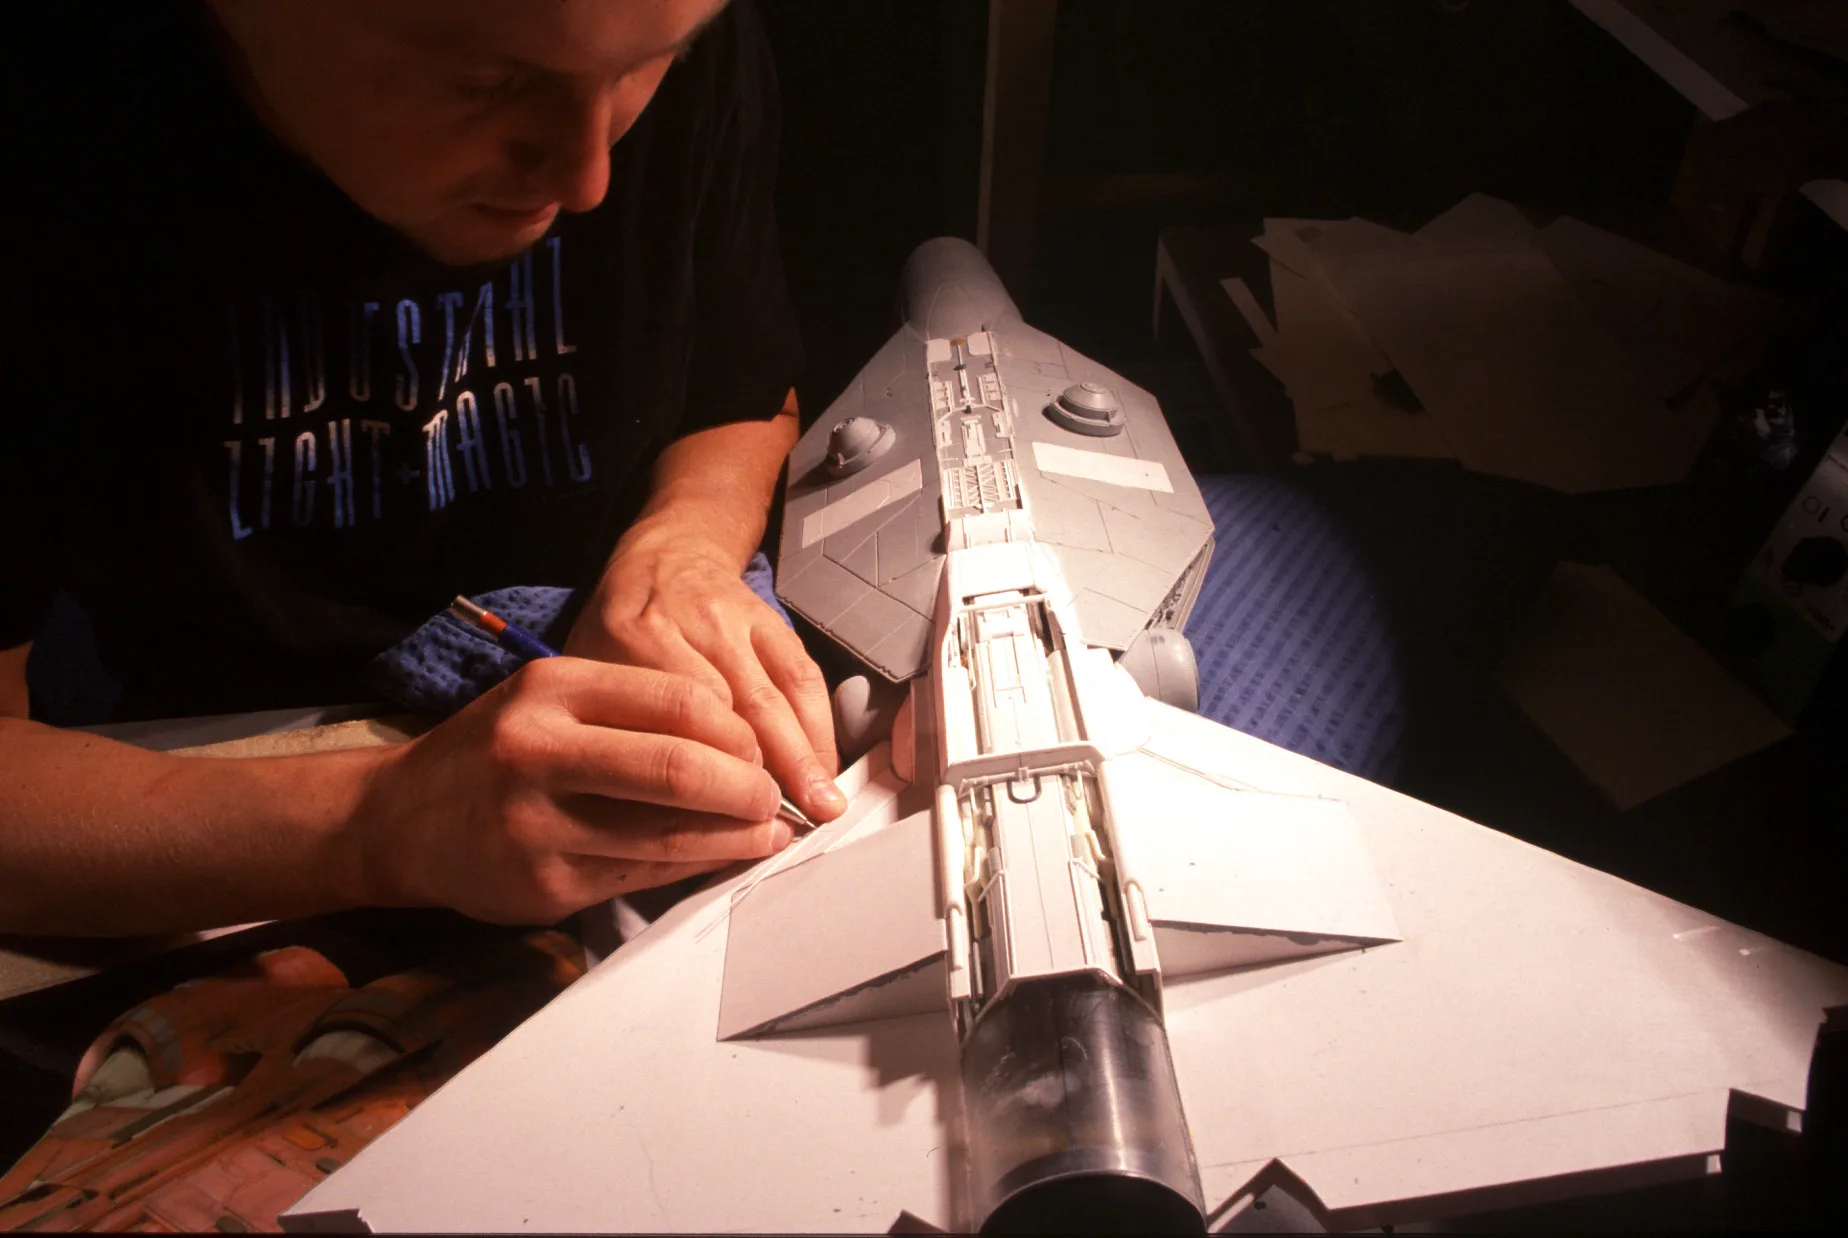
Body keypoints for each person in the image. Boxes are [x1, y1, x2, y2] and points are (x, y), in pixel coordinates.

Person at [0, 0, 848, 936]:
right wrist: (372, 827)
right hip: (221, 799)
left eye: (651, 63)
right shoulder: (50, 143)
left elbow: (743, 391)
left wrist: (683, 546)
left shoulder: (651, 34)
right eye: (488, 83)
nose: (588, 178)